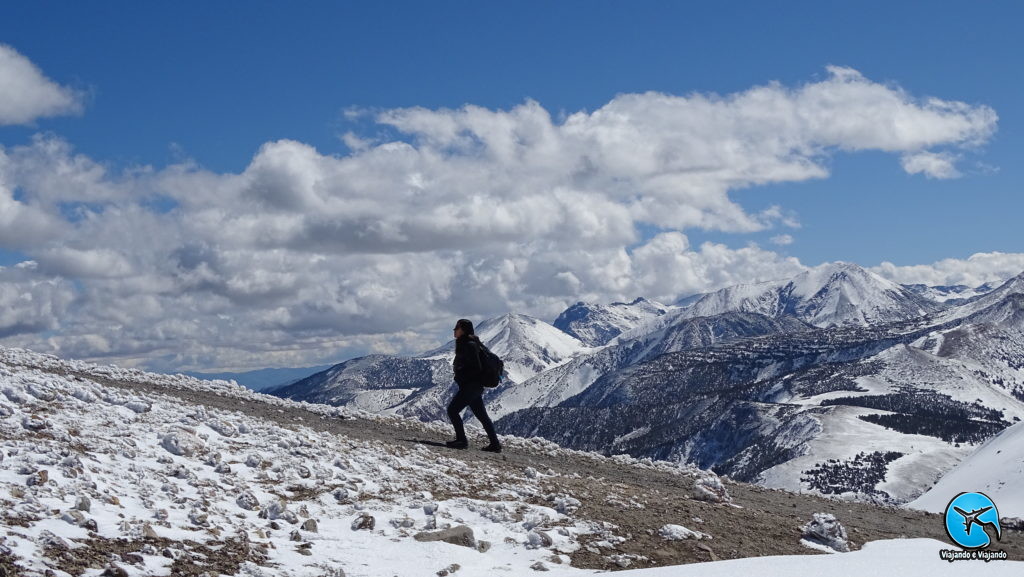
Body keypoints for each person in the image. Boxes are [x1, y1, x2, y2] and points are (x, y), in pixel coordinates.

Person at [446, 318, 502, 452]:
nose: (454, 331)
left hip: (470, 386)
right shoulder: (472, 343)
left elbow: (476, 367)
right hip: (474, 387)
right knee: (482, 416)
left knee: (452, 410)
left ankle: (462, 440)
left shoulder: (469, 345)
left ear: (463, 330)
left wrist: (461, 374)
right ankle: (495, 444)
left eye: (457, 328)